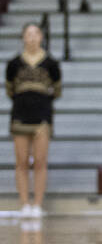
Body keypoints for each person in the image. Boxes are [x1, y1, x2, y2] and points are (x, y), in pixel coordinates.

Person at [6, 22, 61, 218]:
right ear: (22, 37)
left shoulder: (51, 63)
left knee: (40, 161)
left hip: (42, 116)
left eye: (35, 33)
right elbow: (10, 90)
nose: (32, 37)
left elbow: (57, 90)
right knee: (21, 161)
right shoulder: (13, 64)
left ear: (41, 37)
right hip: (20, 115)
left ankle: (37, 203)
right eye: (28, 34)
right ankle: (24, 204)